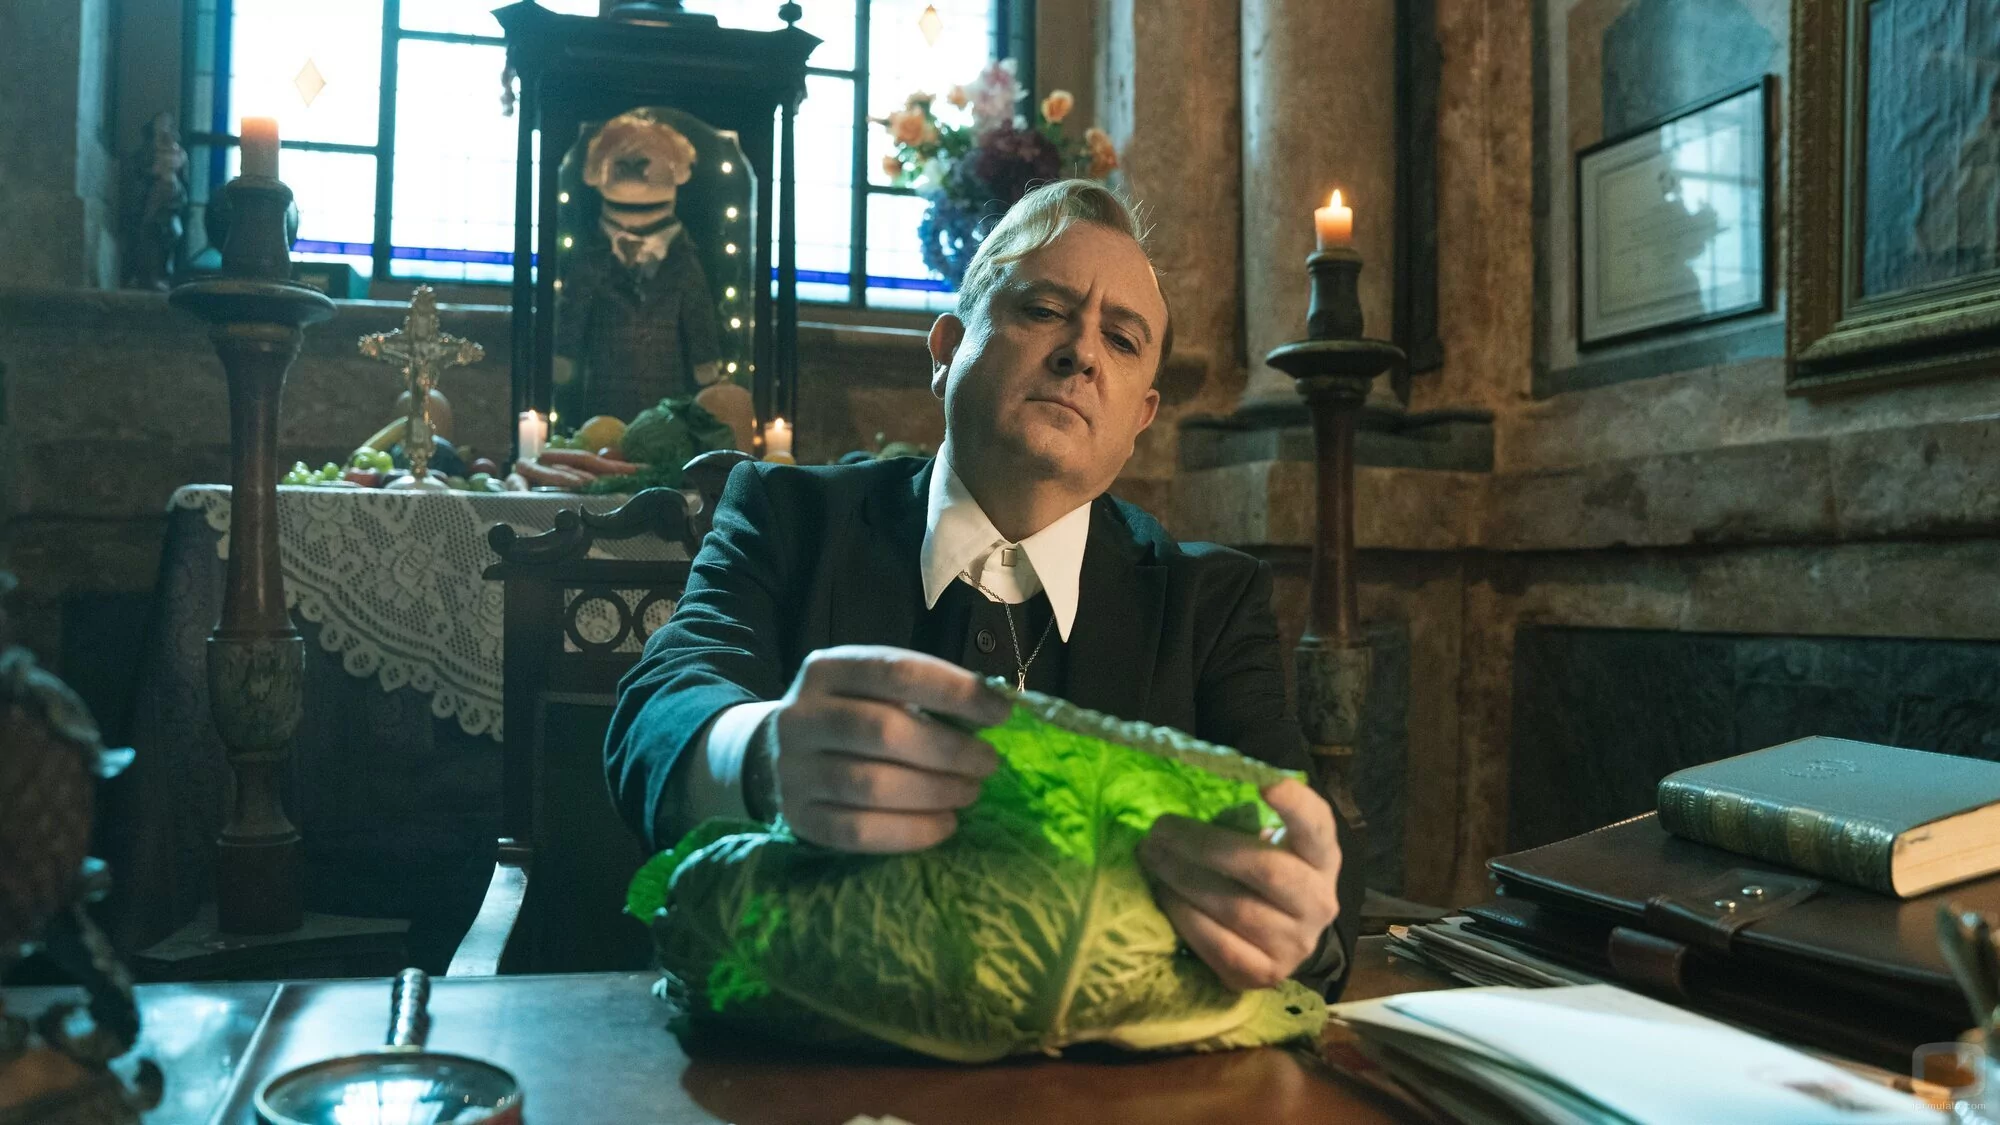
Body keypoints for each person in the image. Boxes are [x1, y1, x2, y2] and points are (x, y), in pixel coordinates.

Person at [606, 179, 1363, 995]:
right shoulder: (787, 518)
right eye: (1043, 310)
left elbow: (1319, 875)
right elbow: (661, 707)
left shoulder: (1209, 604)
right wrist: (760, 755)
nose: (1081, 354)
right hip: (802, 1033)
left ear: (1141, 418)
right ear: (945, 351)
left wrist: (1292, 915)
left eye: (1120, 339)